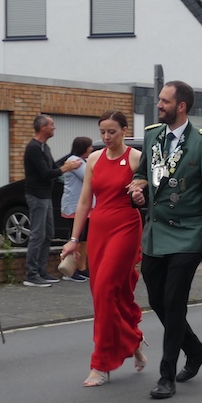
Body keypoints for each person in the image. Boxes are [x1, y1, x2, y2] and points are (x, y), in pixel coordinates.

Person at [126, 81, 202, 400]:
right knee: (158, 301)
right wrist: (137, 189)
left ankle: (166, 375)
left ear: (181, 106)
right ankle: (196, 351)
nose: (159, 105)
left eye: (165, 101)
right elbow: (142, 174)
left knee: (174, 303)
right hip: (156, 234)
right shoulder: (153, 135)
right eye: (159, 100)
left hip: (188, 234)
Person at [60, 111, 146, 386]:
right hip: (99, 229)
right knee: (106, 294)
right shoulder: (94, 159)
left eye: (112, 132)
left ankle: (101, 363)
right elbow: (85, 201)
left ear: (124, 130)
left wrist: (140, 194)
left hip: (126, 227)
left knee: (106, 288)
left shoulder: (136, 158)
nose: (106, 137)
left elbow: (148, 193)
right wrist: (74, 239)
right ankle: (133, 340)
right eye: (102, 132)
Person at [23, 114, 84, 287]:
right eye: (51, 124)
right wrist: (67, 167)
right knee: (37, 234)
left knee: (48, 233)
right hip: (36, 196)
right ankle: (31, 274)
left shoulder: (45, 147)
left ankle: (41, 270)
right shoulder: (33, 148)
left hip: (46, 196)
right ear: (43, 127)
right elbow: (45, 173)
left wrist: (65, 170)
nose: (54, 127)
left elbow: (53, 169)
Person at [60, 136, 94, 282]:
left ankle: (81, 268)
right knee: (75, 239)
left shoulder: (83, 161)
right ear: (83, 148)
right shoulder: (75, 161)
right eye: (89, 146)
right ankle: (69, 270)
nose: (92, 149)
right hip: (74, 206)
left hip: (84, 208)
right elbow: (91, 178)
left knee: (84, 238)